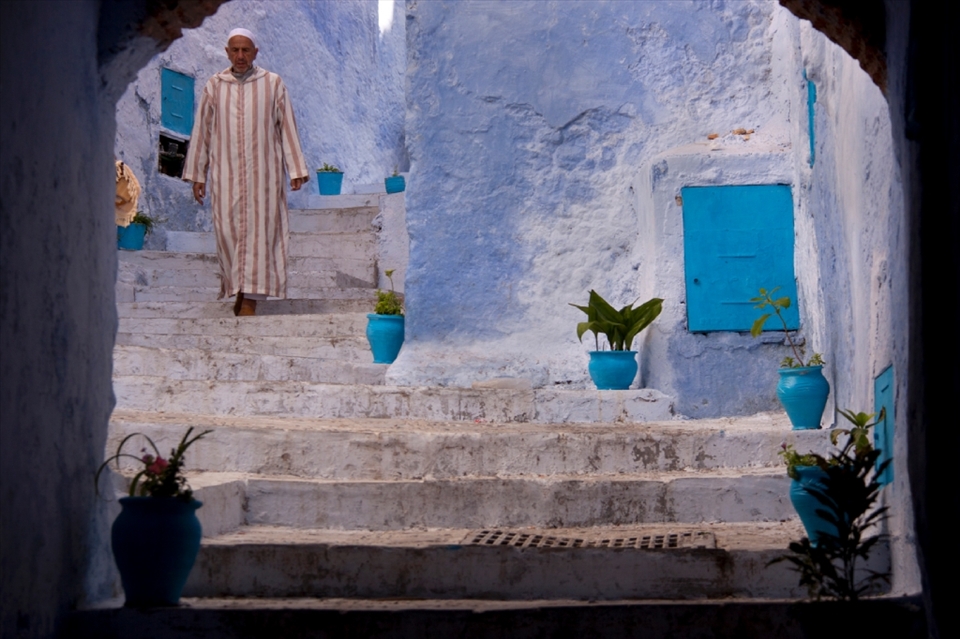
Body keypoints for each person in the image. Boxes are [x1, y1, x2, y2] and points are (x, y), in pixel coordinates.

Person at [183, 28, 310, 316]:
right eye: (235, 50)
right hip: (226, 175)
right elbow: (202, 131)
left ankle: (251, 297)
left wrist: (296, 169)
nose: (240, 55)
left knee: (259, 233)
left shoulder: (273, 84)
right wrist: (197, 175)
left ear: (255, 52)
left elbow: (286, 125)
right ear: (227, 52)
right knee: (228, 230)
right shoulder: (214, 86)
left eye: (246, 50)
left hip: (262, 175)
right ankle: (238, 287)